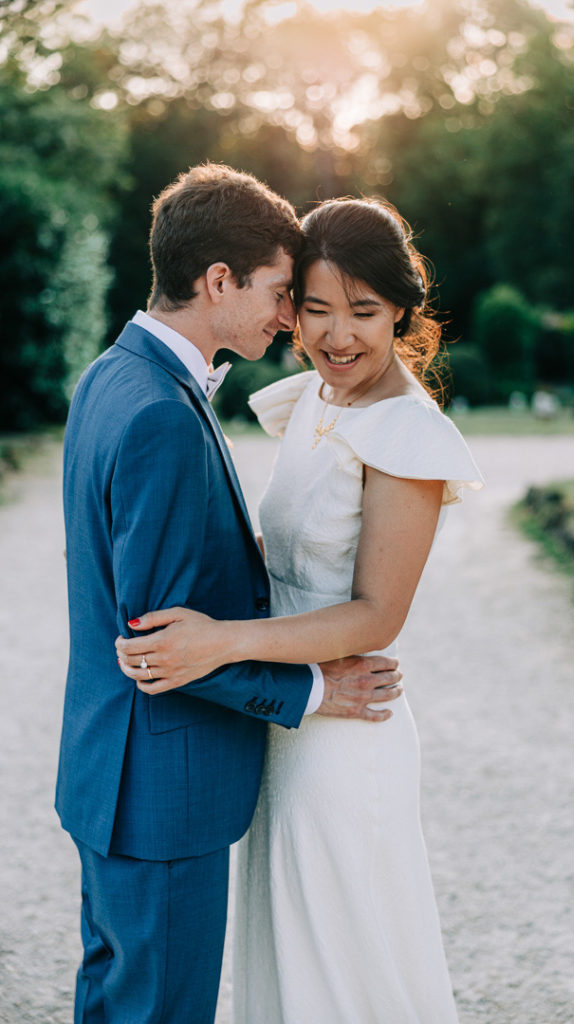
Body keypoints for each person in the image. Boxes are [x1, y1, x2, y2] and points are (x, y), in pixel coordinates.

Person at [117, 196, 484, 1021]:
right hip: (280, 728)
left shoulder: (406, 437)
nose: (336, 335)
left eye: (363, 311)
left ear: (400, 310)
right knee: (285, 956)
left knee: (343, 960)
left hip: (344, 741)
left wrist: (219, 643)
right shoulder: (315, 399)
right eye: (315, 308)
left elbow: (375, 616)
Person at [56, 166, 402, 1024]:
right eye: (280, 293)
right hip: (161, 787)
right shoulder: (162, 415)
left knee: (115, 1000)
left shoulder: (112, 376)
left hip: (113, 770)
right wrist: (320, 689)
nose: (288, 317)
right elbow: (167, 644)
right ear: (218, 281)